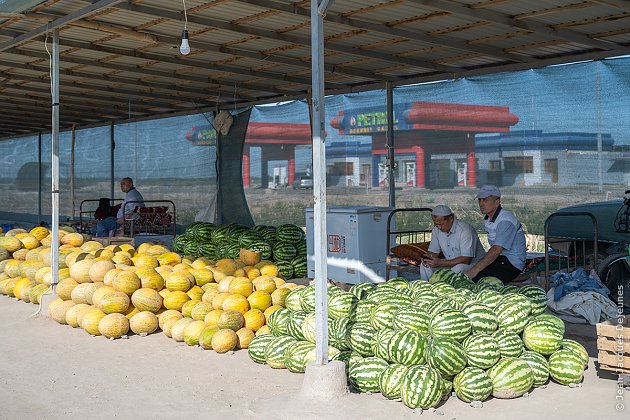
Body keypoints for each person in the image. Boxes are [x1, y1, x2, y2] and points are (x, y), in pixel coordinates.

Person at [402, 205, 486, 281]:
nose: (439, 227)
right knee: (425, 266)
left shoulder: (465, 230)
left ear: (451, 219)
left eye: (441, 224)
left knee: (458, 268)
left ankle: (447, 292)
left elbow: (466, 260)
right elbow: (433, 252)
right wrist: (428, 258)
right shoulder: (436, 230)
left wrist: (441, 263)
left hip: (473, 264)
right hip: (449, 263)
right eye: (436, 224)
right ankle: (427, 289)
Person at [464, 185, 527, 283]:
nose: (481, 204)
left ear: (497, 202)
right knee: (473, 275)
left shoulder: (505, 221)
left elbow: (496, 249)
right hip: (500, 260)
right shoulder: (489, 218)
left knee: (478, 279)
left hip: (511, 264)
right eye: (479, 200)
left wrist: (474, 270)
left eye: (485, 200)